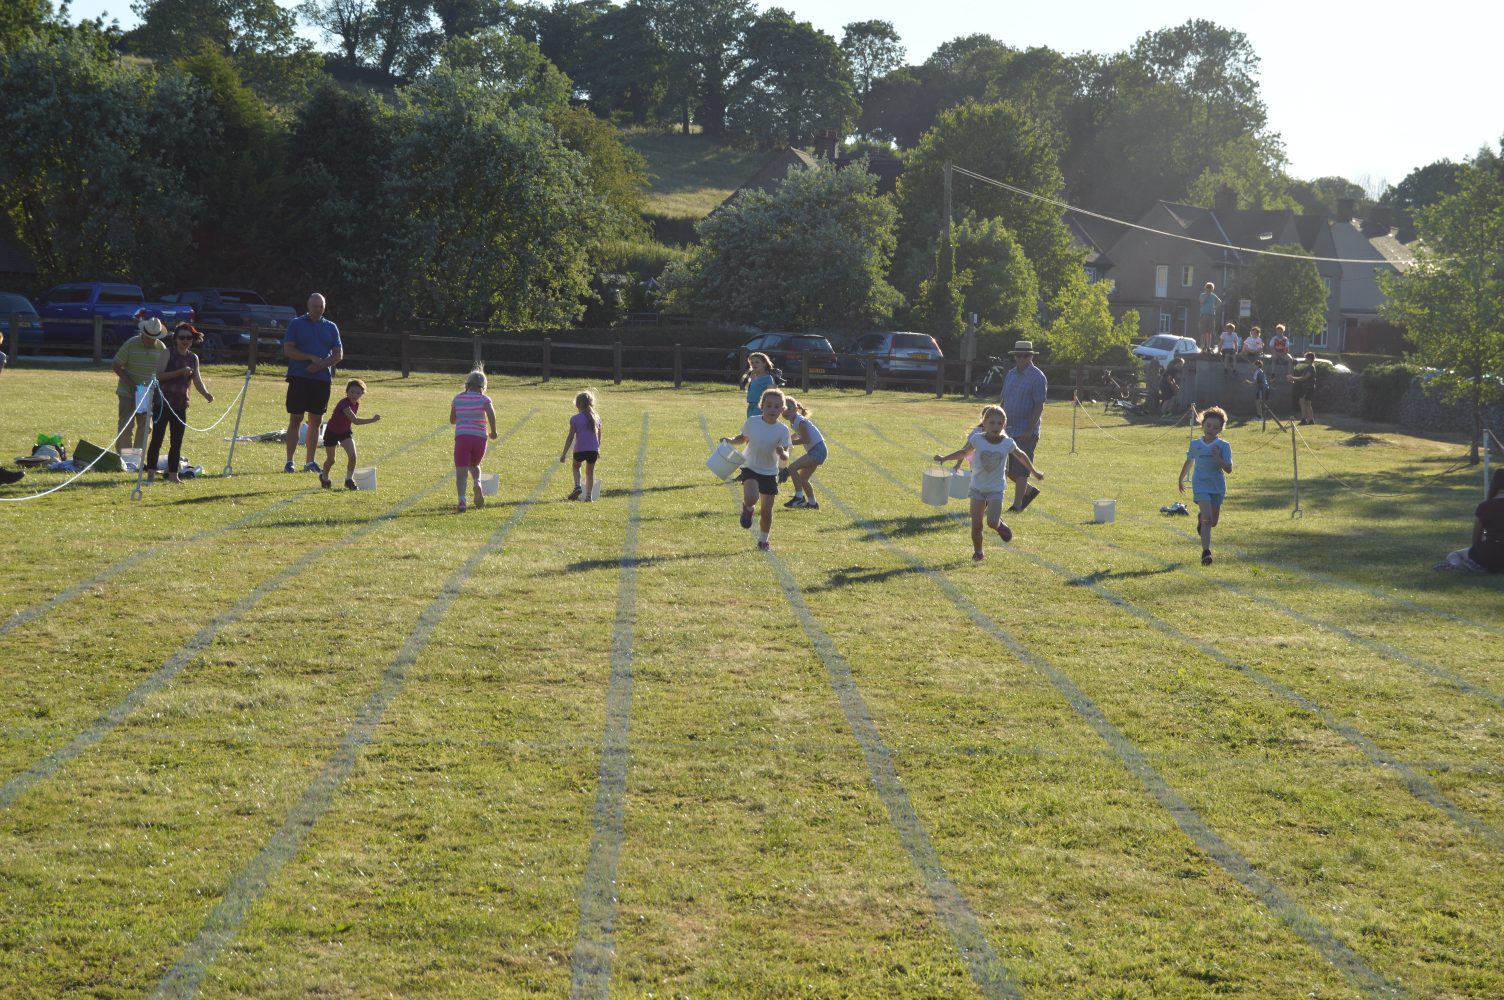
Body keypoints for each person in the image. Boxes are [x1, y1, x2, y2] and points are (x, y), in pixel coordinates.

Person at [934, 404, 1045, 562]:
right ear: (984, 423)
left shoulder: (1007, 443)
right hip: (977, 488)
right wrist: (945, 458)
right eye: (992, 423)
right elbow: (964, 452)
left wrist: (1034, 472)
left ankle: (999, 525)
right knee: (976, 525)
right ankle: (978, 552)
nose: (995, 427)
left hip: (996, 489)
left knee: (991, 521)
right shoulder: (977, 439)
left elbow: (1021, 456)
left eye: (1000, 423)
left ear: (1004, 425)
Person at [721, 386, 791, 551]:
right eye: (769, 405)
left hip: (769, 472)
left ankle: (763, 540)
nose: (772, 409)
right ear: (762, 406)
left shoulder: (782, 430)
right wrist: (730, 440)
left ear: (782, 409)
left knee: (766, 512)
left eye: (777, 406)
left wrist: (782, 453)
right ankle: (748, 508)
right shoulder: (753, 421)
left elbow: (786, 455)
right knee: (752, 498)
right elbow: (742, 438)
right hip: (750, 467)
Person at [282, 292, 344, 473]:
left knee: (316, 420)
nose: (318, 309)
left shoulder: (331, 327)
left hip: (321, 380)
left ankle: (310, 462)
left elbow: (338, 354)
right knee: (296, 418)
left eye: (321, 307)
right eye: (315, 306)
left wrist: (321, 365)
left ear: (324, 307)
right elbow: (288, 350)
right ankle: (289, 462)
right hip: (299, 377)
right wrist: (310, 357)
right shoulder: (296, 324)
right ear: (308, 306)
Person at [145, 322, 214, 484]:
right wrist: (180, 372)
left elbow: (197, 380)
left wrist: (206, 394)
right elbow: (159, 375)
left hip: (180, 405)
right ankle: (150, 475)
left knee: (176, 442)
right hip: (162, 403)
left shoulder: (193, 358)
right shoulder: (167, 353)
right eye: (182, 337)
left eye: (189, 338)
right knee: (157, 439)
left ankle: (173, 475)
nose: (185, 341)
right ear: (175, 338)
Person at [1178, 405, 1233, 566]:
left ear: (1221, 429)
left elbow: (1228, 469)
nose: (1211, 430)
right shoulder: (1195, 444)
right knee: (1208, 520)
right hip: (1200, 484)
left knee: (1212, 522)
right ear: (1202, 424)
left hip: (1217, 486)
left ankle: (1201, 518)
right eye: (1208, 425)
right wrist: (1181, 479)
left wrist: (1217, 457)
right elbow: (1189, 461)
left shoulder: (1224, 446)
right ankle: (1206, 552)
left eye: (1215, 427)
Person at [1000, 340, 1047, 512]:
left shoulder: (1038, 377)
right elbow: (1004, 400)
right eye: (1018, 355)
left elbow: (1039, 405)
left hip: (1026, 431)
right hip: (1007, 429)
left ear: (1031, 356)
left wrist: (1029, 429)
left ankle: (1017, 505)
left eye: (1025, 355)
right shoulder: (1011, 374)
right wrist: (996, 422)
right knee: (1005, 468)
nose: (1021, 358)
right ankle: (1028, 491)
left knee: (1021, 470)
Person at [112, 315, 168, 452]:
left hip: (147, 394)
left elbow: (162, 372)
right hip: (128, 392)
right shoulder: (131, 344)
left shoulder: (161, 348)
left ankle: (137, 458)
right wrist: (132, 385)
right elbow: (116, 365)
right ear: (143, 333)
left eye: (154, 338)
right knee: (126, 425)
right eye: (148, 337)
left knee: (146, 427)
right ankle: (124, 457)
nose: (151, 340)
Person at [451, 369, 498, 512]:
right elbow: (491, 412)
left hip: (462, 437)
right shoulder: (484, 399)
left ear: (467, 384)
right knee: (475, 465)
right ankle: (477, 483)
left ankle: (462, 500)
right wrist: (493, 431)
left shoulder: (458, 399)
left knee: (461, 472)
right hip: (479, 438)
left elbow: (452, 419)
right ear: (482, 386)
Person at [319, 379, 380, 490]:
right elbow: (355, 421)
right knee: (331, 460)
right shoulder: (344, 404)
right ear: (347, 392)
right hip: (331, 432)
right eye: (352, 392)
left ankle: (349, 480)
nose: (355, 395)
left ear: (362, 394)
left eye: (358, 393)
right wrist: (372, 420)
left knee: (353, 456)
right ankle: (324, 476)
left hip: (345, 432)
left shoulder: (356, 404)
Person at [1440, 470, 1504, 572]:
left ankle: (1456, 565)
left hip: (1489, 553)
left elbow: (1476, 541)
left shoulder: (1484, 506)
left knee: (1454, 555)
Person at [779, 395, 826, 510]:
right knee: (803, 479)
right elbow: (797, 435)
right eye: (783, 409)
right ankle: (812, 504)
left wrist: (788, 443)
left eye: (789, 408)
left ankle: (799, 498)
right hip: (818, 450)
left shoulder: (800, 421)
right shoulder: (795, 421)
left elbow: (806, 439)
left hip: (818, 450)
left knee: (792, 468)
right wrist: (786, 440)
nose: (785, 411)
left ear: (796, 409)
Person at [560, 390, 602, 501]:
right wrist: (598, 449)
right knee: (590, 473)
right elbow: (599, 437)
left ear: (577, 405)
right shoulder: (597, 418)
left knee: (576, 466)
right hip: (593, 450)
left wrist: (564, 454)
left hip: (579, 449)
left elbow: (570, 437)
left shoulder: (574, 419)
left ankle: (577, 486)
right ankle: (589, 496)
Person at [740, 352, 775, 418]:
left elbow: (772, 392)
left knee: (758, 423)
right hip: (751, 405)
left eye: (757, 362)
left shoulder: (768, 378)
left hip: (760, 406)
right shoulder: (752, 376)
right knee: (751, 423)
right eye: (752, 363)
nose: (754, 364)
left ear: (764, 363)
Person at [1290, 351, 1319, 425]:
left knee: (1302, 402)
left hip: (1308, 388)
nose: (1305, 359)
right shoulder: (1310, 367)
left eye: (1306, 358)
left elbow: (1305, 377)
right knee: (1307, 403)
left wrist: (1293, 378)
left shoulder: (1311, 367)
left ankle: (1304, 419)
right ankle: (1311, 420)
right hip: (1308, 387)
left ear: (1309, 359)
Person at [1198, 282, 1221, 353]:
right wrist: (1207, 295)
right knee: (1203, 332)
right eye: (1208, 288)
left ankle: (1208, 346)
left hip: (1211, 315)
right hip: (1204, 314)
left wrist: (1215, 307)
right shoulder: (1202, 295)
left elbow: (1220, 302)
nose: (1209, 290)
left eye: (1210, 288)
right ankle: (1202, 346)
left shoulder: (1213, 296)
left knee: (1209, 332)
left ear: (1212, 289)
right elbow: (1202, 302)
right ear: (1206, 288)